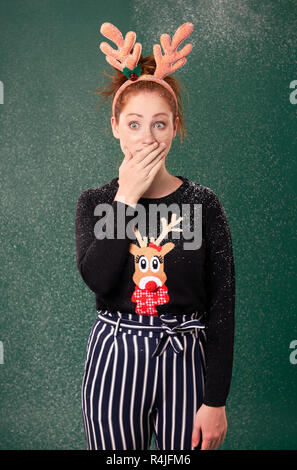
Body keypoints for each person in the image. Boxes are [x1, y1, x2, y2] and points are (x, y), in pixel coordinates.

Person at [75, 22, 235, 451]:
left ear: (175, 126)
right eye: (134, 124)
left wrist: (215, 401)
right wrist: (126, 198)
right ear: (115, 126)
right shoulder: (96, 201)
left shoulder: (204, 203)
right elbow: (99, 280)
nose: (146, 138)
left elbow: (222, 306)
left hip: (187, 358)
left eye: (159, 125)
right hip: (116, 356)